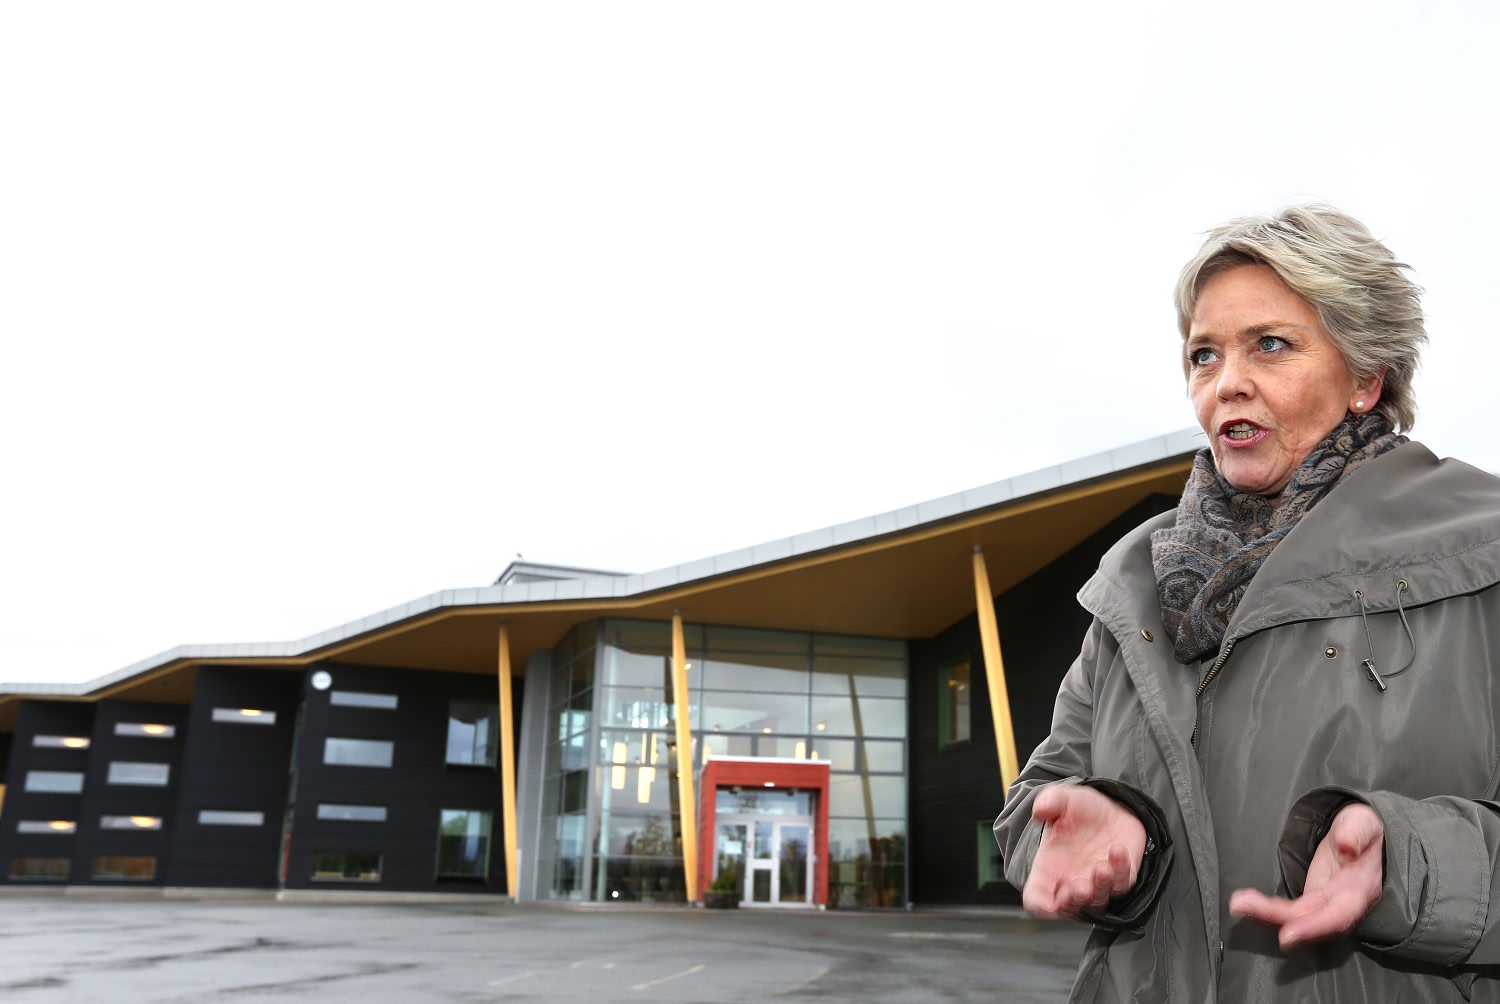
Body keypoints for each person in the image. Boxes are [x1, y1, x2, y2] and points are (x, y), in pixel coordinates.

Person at [994, 204, 1500, 1001]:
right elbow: (1034, 803)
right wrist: (1106, 833)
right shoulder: (1132, 584)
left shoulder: (1483, 554)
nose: (1226, 381)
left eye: (1271, 344)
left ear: (1366, 378)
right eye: (1204, 354)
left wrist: (1408, 865)